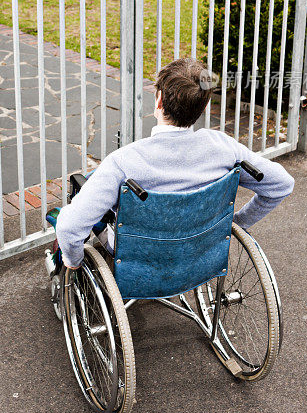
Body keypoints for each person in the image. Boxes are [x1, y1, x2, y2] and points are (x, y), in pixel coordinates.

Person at [56, 58, 294, 269]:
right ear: (201, 106)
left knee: (87, 198)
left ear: (158, 100)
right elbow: (281, 184)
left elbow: (68, 228)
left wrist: (73, 261)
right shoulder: (225, 148)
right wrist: (236, 223)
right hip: (201, 246)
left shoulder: (124, 162)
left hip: (139, 255)